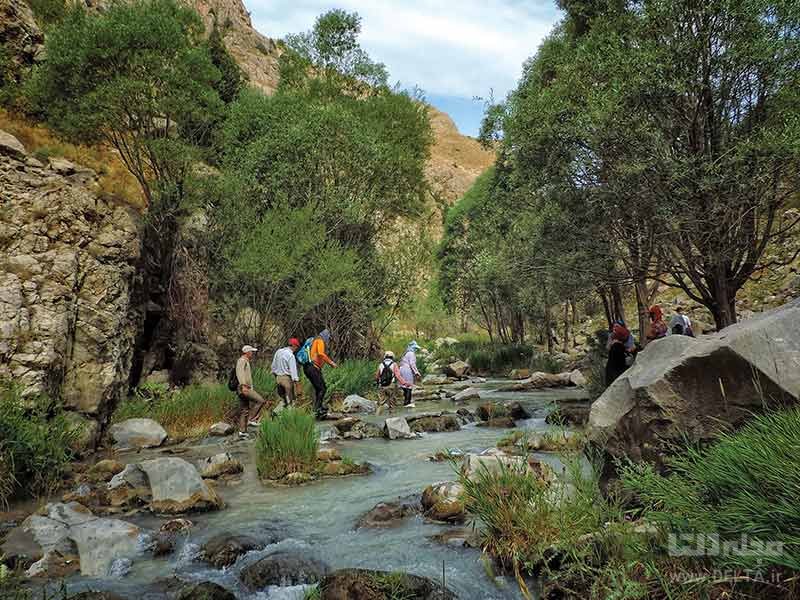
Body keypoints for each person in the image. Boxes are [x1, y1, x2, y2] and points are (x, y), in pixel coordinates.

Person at [304, 329, 337, 419]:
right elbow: (321, 354)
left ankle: (318, 409)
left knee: (319, 388)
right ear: (326, 336)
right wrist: (331, 363)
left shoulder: (315, 340)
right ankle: (317, 409)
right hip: (313, 368)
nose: (329, 341)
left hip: (309, 368)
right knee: (323, 388)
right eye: (329, 338)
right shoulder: (320, 341)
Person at [236, 344, 267, 438]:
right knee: (260, 400)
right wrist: (243, 386)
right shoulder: (242, 361)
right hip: (244, 388)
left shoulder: (245, 361)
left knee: (244, 410)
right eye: (251, 352)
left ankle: (242, 432)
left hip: (243, 388)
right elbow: (240, 373)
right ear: (247, 352)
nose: (252, 353)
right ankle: (251, 419)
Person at [271, 338, 301, 411]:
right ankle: (290, 417)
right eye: (296, 347)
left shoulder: (278, 352)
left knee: (283, 400)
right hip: (286, 380)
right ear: (293, 346)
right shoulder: (290, 355)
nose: (296, 349)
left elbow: (273, 367)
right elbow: (293, 372)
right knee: (290, 401)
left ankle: (276, 412)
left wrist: (277, 376)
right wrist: (297, 385)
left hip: (278, 378)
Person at [398, 341, 422, 408]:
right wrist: (416, 372)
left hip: (401, 369)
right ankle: (407, 403)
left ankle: (406, 401)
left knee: (404, 385)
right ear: (412, 348)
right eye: (415, 348)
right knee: (409, 386)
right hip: (407, 370)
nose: (416, 350)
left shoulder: (406, 353)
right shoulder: (411, 354)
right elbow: (412, 364)